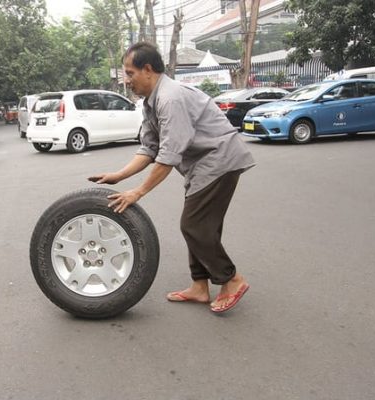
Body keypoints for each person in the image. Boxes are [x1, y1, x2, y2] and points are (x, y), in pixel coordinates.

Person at [88, 42, 255, 314]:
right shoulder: (151, 103)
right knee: (202, 227)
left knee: (194, 226)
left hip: (220, 160)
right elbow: (149, 148)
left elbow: (168, 156)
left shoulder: (170, 98)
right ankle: (200, 287)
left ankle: (232, 280)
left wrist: (137, 192)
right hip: (203, 166)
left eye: (130, 74)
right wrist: (119, 176)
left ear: (148, 69)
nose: (127, 81)